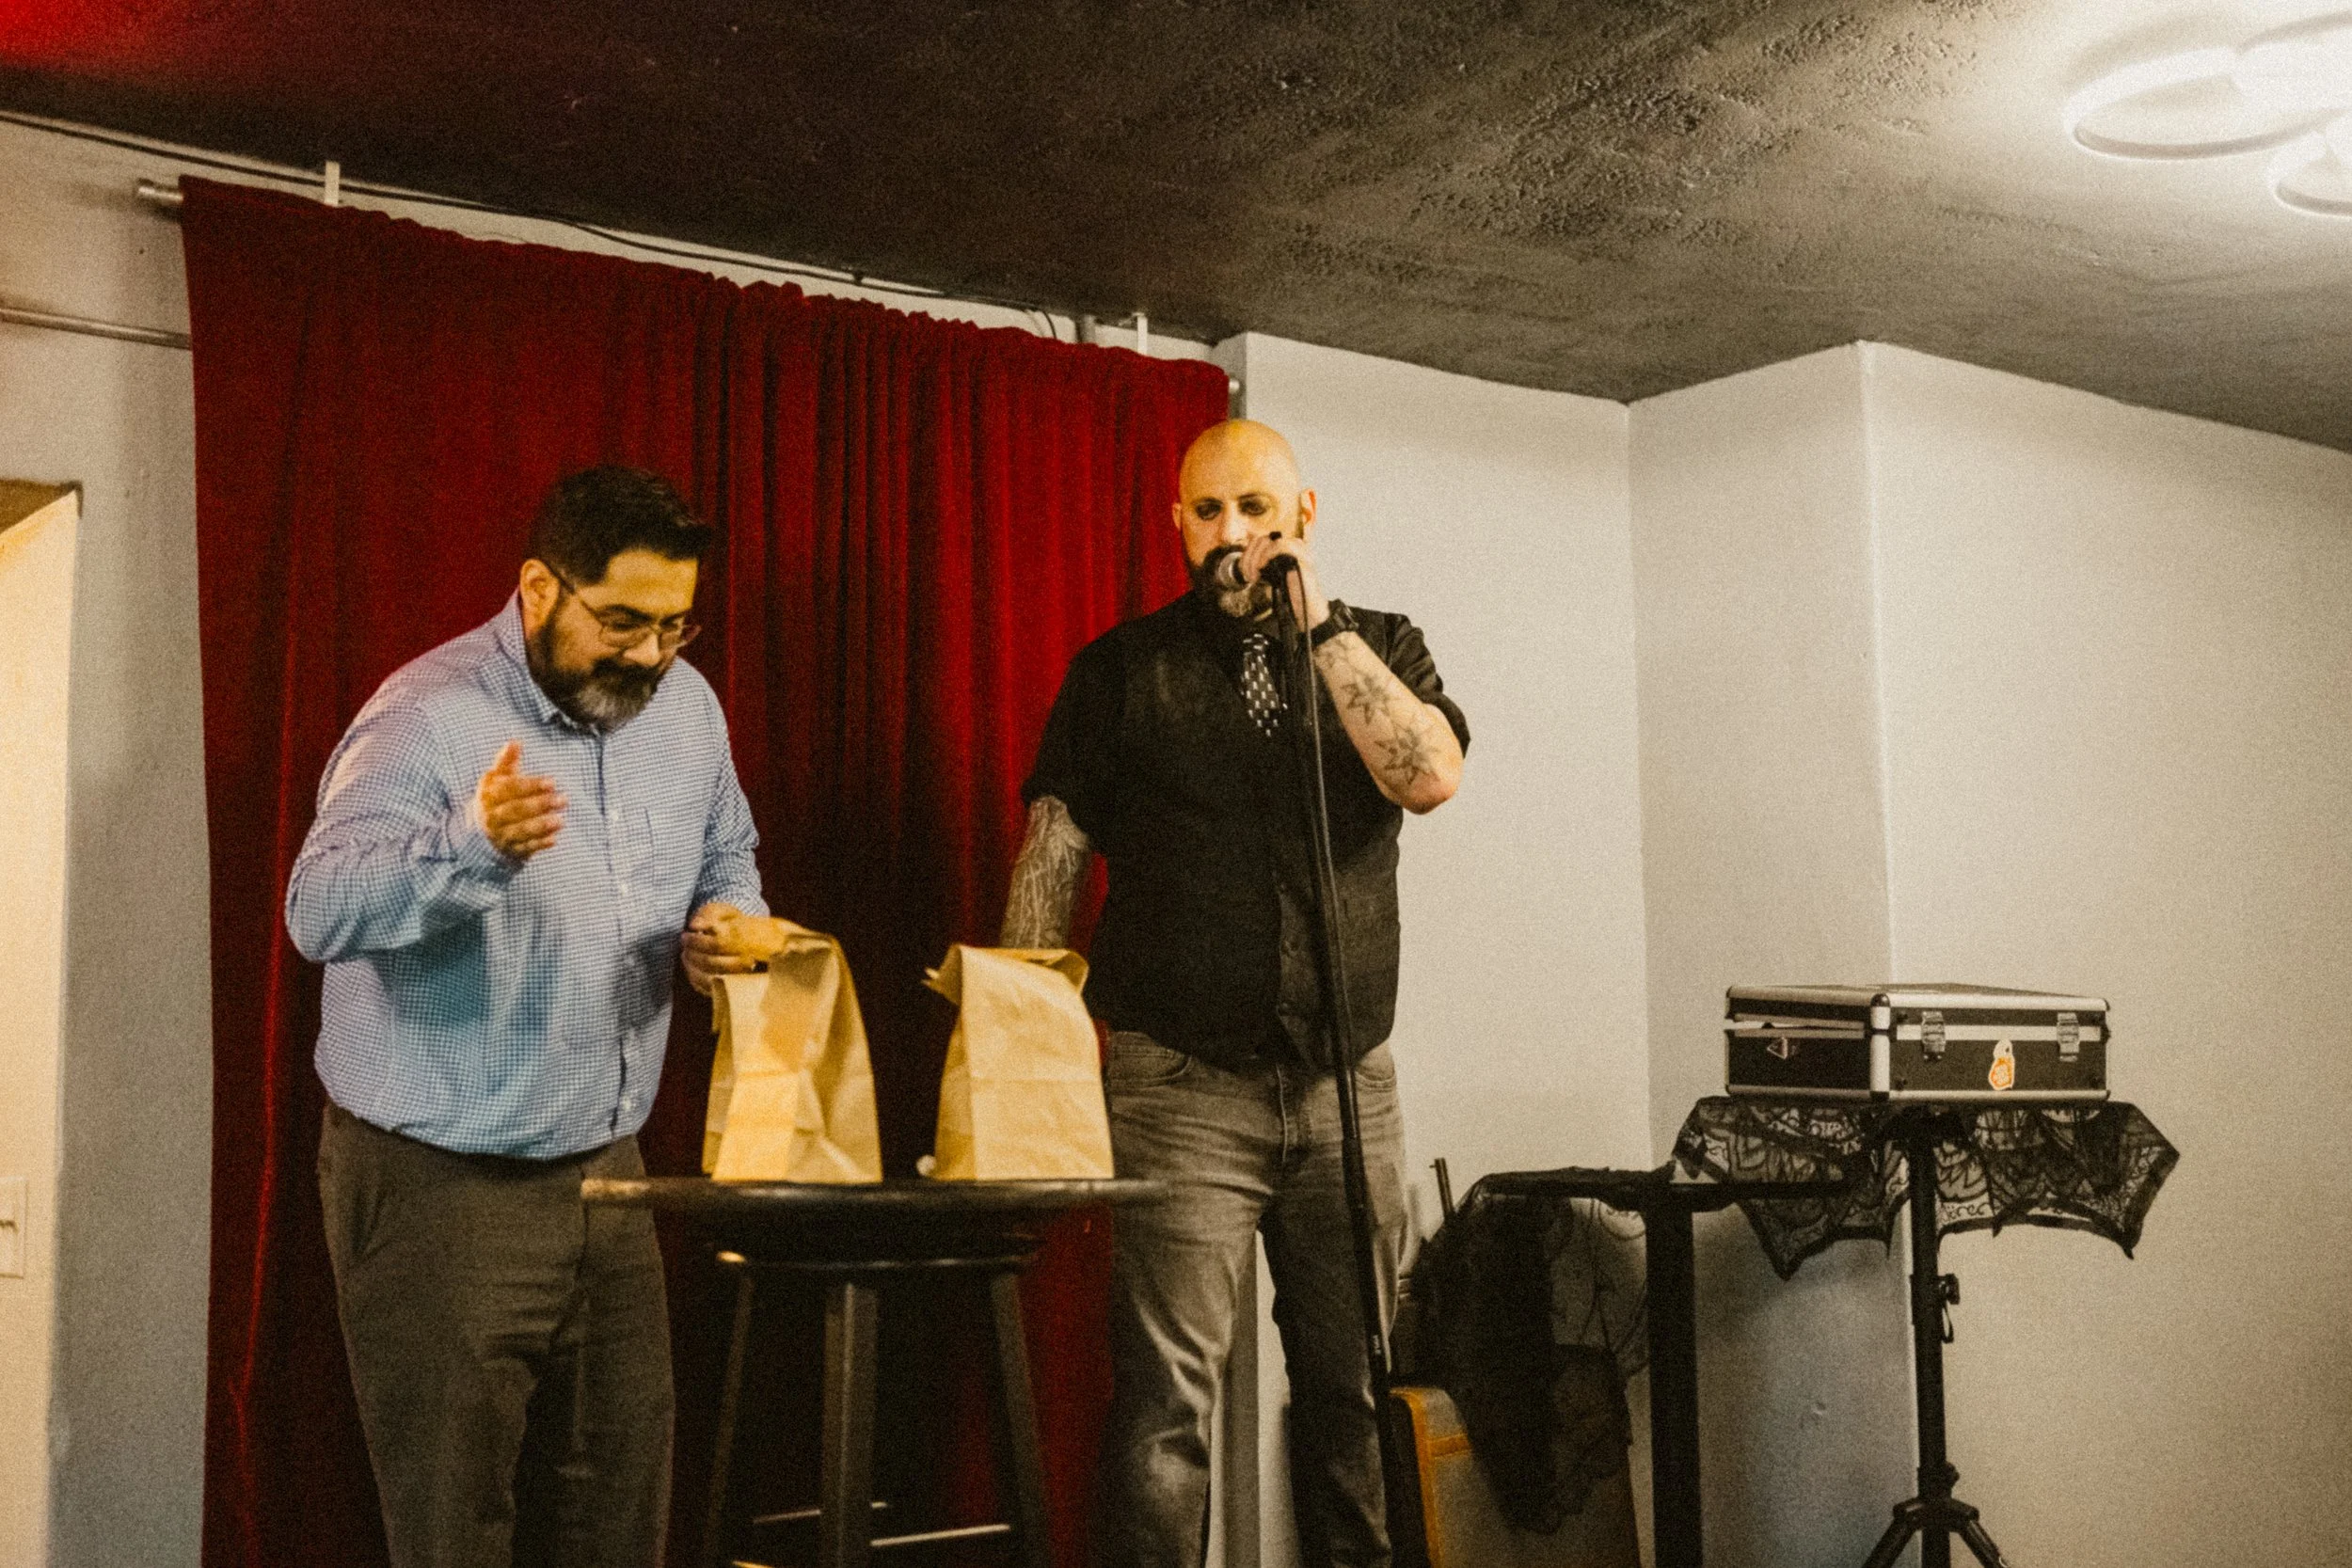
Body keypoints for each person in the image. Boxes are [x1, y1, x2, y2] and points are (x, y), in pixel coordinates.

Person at [285, 466, 774, 1568]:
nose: (651, 653)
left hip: (610, 1173)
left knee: (617, 1523)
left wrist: (724, 921)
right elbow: (317, 909)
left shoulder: (686, 710)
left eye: (673, 625)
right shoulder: (427, 716)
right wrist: (472, 850)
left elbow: (728, 851)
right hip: (437, 1187)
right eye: (623, 621)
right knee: (455, 1533)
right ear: (539, 590)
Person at [1000, 420, 1469, 1568]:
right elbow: (1052, 848)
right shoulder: (1121, 670)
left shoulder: (1384, 645)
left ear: (1304, 517)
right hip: (1179, 1085)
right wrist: (1018, 1050)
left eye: (1257, 509)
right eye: (1207, 512)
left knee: (1355, 1385)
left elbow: (1431, 774)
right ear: (1174, 524)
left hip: (1346, 1085)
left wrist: (1319, 632)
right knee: (1166, 1407)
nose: (1233, 535)